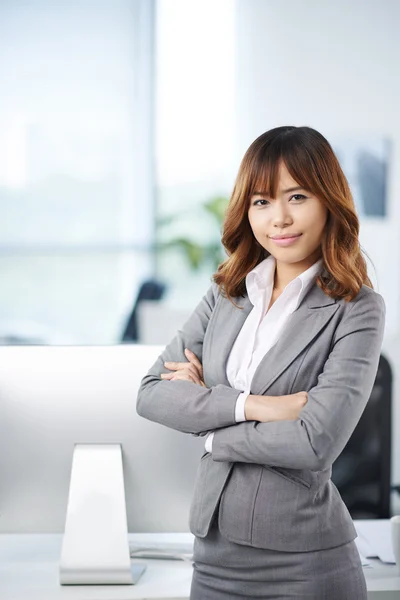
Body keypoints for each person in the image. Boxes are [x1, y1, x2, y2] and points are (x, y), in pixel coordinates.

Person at [136, 125, 386, 599]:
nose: (280, 219)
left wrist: (207, 426)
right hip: (211, 557)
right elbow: (151, 394)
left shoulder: (357, 308)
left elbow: (315, 443)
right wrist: (255, 406)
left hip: (304, 564)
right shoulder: (226, 295)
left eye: (297, 197)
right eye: (261, 201)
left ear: (328, 201)